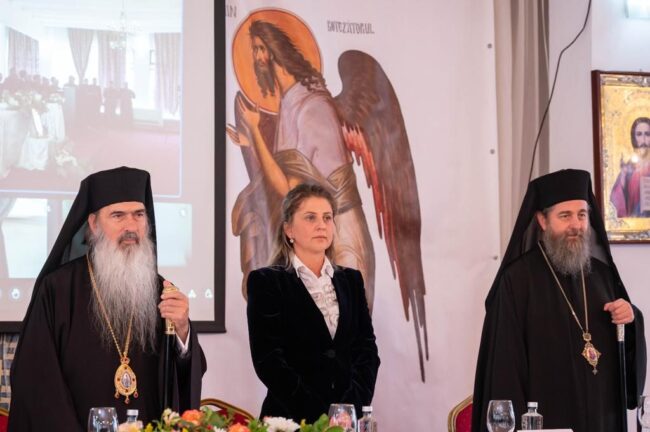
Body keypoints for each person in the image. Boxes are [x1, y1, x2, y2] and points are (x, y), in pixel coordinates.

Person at [8, 166, 206, 430]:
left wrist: (182, 331)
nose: (131, 227)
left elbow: (179, 381)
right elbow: (37, 380)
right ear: (93, 224)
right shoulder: (57, 289)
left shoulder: (161, 291)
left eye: (139, 215)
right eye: (118, 216)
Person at [472, 169, 646, 432]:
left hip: (603, 422)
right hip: (545, 423)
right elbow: (504, 370)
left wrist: (630, 319)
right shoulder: (517, 281)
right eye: (565, 216)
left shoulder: (603, 275)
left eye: (582, 215)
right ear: (542, 220)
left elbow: (626, 372)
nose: (576, 225)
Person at [231, 19, 376, 306]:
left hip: (343, 236)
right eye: (255, 50)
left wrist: (255, 133)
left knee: (345, 324)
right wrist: (253, 142)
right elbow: (287, 179)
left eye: (260, 48)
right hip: (321, 246)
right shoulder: (289, 102)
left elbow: (289, 189)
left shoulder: (313, 107)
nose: (257, 58)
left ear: (274, 50)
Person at [246, 183, 380, 423]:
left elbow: (366, 351)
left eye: (327, 217)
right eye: (310, 217)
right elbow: (268, 360)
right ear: (289, 229)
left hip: (344, 422)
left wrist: (348, 411)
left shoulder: (351, 280)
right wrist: (320, 418)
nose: (321, 225)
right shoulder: (266, 281)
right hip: (289, 420)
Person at [611, 117, 650, 217]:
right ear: (634, 138)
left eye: (647, 134)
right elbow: (616, 197)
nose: (643, 139)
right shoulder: (628, 167)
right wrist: (623, 177)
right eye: (639, 134)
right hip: (634, 219)